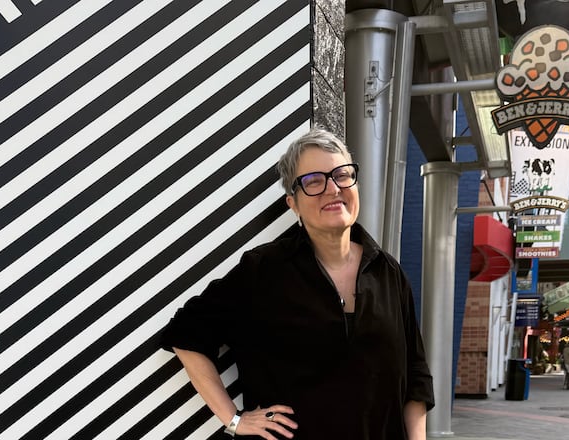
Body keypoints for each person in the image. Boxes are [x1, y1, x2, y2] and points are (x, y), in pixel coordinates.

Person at [160, 128, 435, 439]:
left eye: (342, 175)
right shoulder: (263, 271)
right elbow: (185, 333)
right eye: (314, 181)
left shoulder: (389, 274)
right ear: (293, 202)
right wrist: (235, 420)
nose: (333, 188)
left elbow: (416, 379)